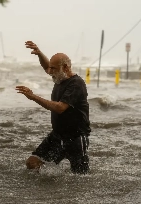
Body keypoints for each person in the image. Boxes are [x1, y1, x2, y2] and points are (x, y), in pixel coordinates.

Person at [15, 41, 91, 174]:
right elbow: (47, 67)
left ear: (66, 68)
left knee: (80, 177)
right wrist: (39, 53)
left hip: (76, 138)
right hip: (57, 136)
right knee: (32, 163)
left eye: (53, 69)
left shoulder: (76, 84)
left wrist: (33, 96)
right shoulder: (59, 77)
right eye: (50, 68)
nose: (50, 72)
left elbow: (60, 107)